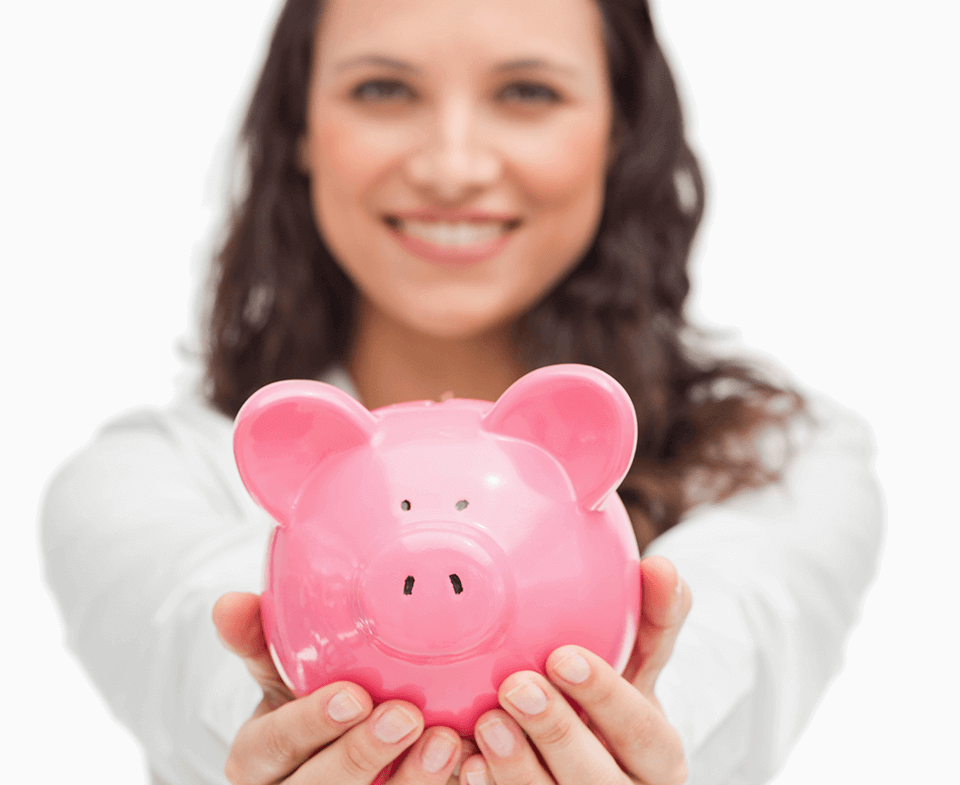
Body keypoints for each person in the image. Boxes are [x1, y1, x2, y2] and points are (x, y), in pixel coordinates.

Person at [40, 0, 884, 783]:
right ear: (299, 126)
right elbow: (194, 635)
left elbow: (739, 632)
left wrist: (629, 724)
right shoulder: (141, 479)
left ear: (619, 132)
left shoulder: (785, 460)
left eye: (527, 90)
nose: (452, 166)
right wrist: (289, 717)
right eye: (383, 89)